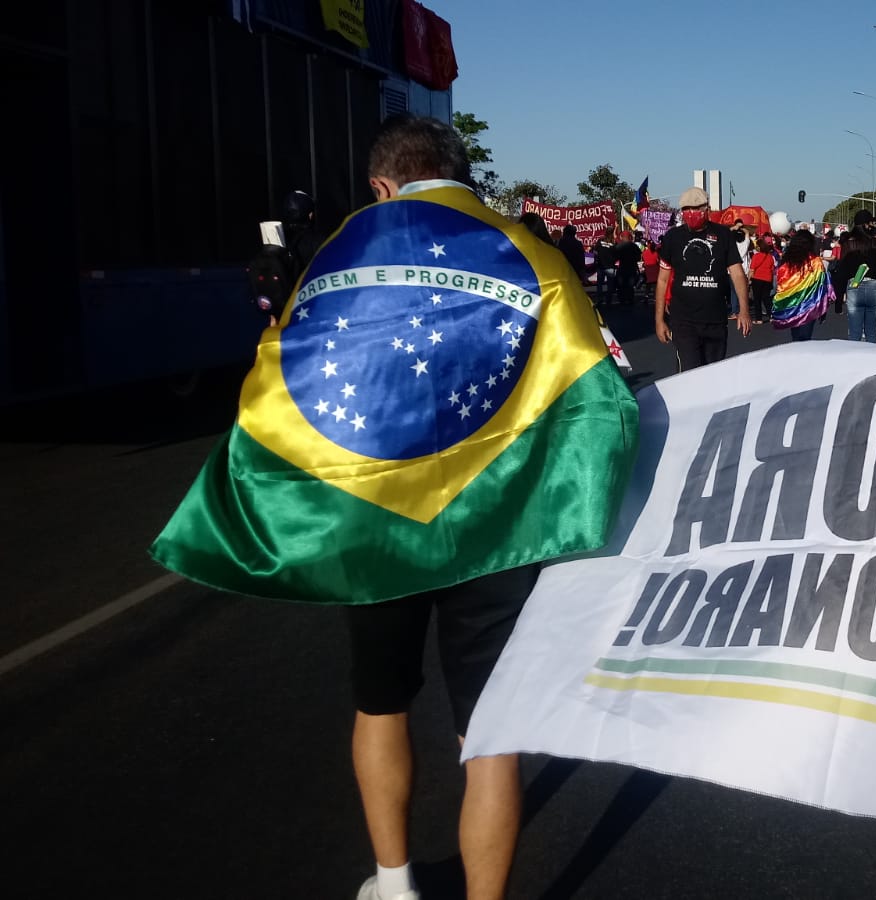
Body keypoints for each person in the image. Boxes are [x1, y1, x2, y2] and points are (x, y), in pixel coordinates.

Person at [353, 114, 554, 900]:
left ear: (382, 185)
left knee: (379, 703)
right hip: (496, 524)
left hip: (376, 517)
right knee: (490, 733)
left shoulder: (346, 254)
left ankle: (394, 886)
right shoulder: (534, 255)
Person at [655, 187, 751, 370]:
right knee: (690, 374)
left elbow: (737, 273)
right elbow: (662, 280)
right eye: (686, 209)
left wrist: (744, 310)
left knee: (712, 375)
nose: (691, 213)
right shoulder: (673, 237)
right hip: (683, 321)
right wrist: (659, 320)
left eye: (696, 208)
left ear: (707, 209)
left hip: (715, 320)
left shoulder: (724, 235)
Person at [832, 209, 876, 342]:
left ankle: (856, 360)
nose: (873, 226)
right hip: (874, 286)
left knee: (854, 332)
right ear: (866, 225)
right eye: (871, 223)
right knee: (871, 332)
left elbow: (842, 271)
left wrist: (839, 299)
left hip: (855, 285)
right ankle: (871, 360)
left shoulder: (848, 245)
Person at [770, 228, 832, 341]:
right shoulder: (815, 262)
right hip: (810, 307)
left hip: (792, 306)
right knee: (805, 338)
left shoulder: (787, 261)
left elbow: (781, 283)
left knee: (796, 338)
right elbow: (823, 286)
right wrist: (823, 309)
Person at [749, 233, 776, 323]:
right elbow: (772, 270)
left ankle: (759, 319)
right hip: (767, 279)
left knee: (757, 299)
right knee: (766, 299)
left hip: (757, 279)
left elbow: (752, 269)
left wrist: (749, 280)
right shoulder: (770, 257)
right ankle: (771, 316)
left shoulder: (756, 256)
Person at [612, 229, 641, 306]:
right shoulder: (634, 246)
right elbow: (638, 258)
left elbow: (614, 257)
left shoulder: (619, 246)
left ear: (622, 237)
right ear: (629, 237)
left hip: (622, 269)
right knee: (630, 286)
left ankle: (622, 299)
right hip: (631, 269)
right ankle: (630, 299)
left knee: (621, 285)